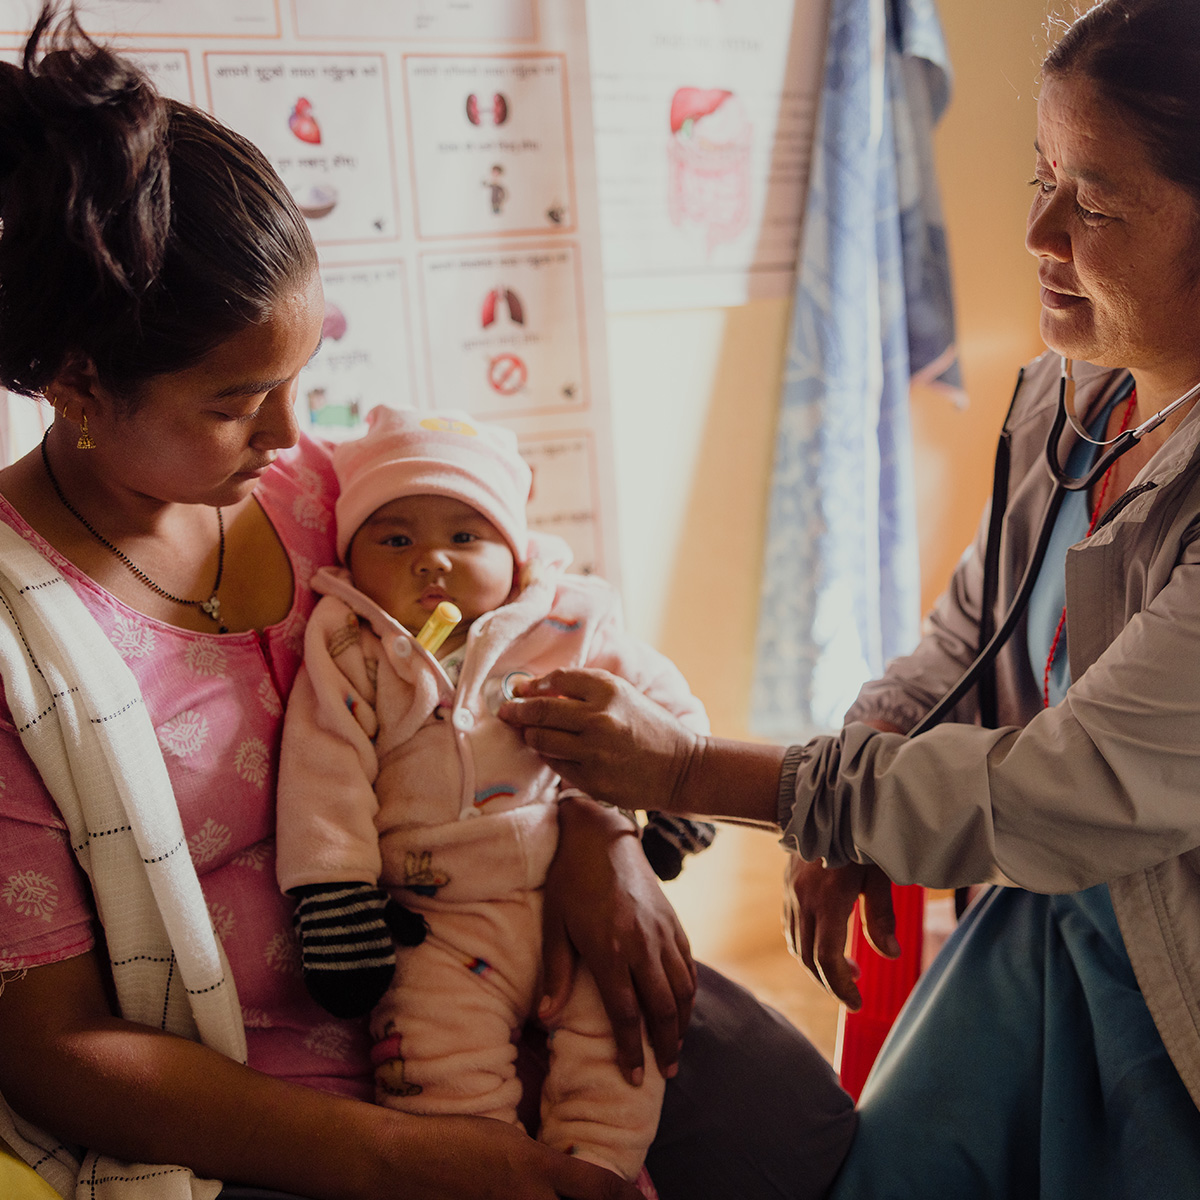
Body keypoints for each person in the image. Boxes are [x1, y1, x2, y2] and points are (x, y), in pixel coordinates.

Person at [0, 6, 856, 1200]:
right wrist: (403, 1158)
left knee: (800, 1135)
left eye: (303, 381)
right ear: (81, 386)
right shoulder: (19, 638)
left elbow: (539, 630)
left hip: (514, 946)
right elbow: (53, 1048)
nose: (296, 435)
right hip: (276, 1105)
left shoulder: (334, 499)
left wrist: (595, 835)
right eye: (236, 401)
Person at [500, 0, 1200, 1195]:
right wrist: (869, 750)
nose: (1034, 229)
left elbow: (1062, 786)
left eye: (1094, 203)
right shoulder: (1069, 403)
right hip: (1044, 926)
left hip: (1166, 970)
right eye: (1040, 174)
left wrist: (692, 775)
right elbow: (970, 640)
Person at [274, 405, 716, 1188]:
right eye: (396, 538)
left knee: (622, 1048)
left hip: (567, 901)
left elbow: (657, 699)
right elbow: (324, 773)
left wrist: (677, 790)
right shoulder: (352, 643)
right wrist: (334, 896)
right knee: (435, 1073)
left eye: (464, 537)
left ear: (514, 552)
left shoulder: (569, 620)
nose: (431, 562)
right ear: (351, 551)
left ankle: (601, 1172)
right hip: (434, 922)